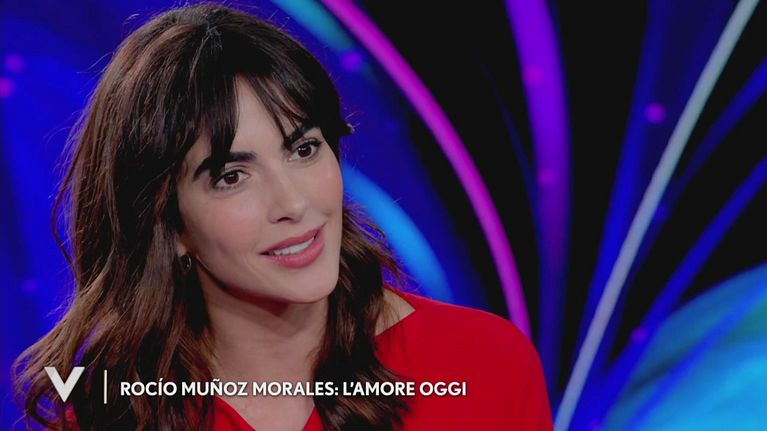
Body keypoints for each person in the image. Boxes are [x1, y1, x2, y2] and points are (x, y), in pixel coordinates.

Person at [13, 3, 553, 430]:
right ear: (168, 224)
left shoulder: (483, 365)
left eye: (303, 149)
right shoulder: (115, 414)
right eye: (231, 176)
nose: (293, 203)